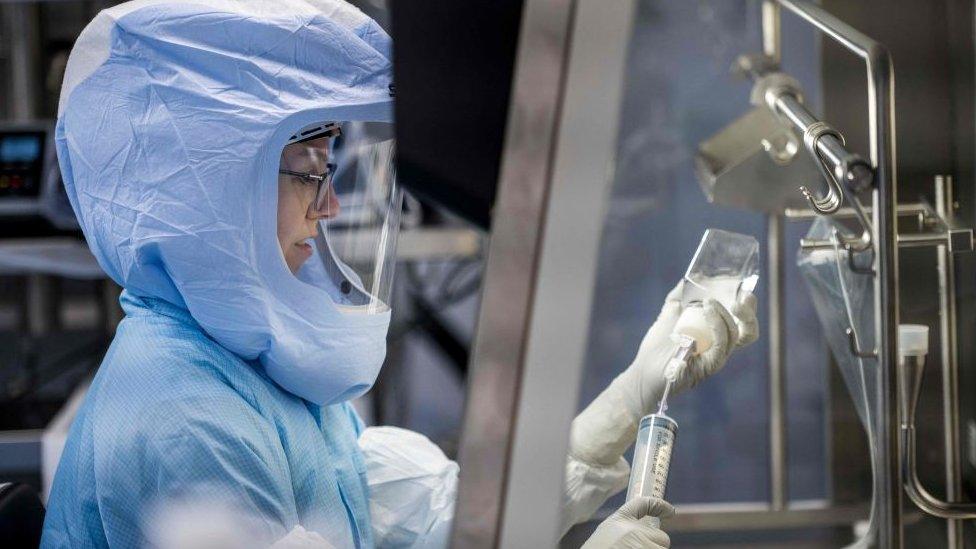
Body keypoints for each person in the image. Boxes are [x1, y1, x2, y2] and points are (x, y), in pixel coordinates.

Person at [41, 1, 758, 548]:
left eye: (329, 168)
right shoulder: (181, 422)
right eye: (306, 173)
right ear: (208, 187)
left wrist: (625, 402)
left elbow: (429, 522)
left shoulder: (244, 360)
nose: (331, 203)